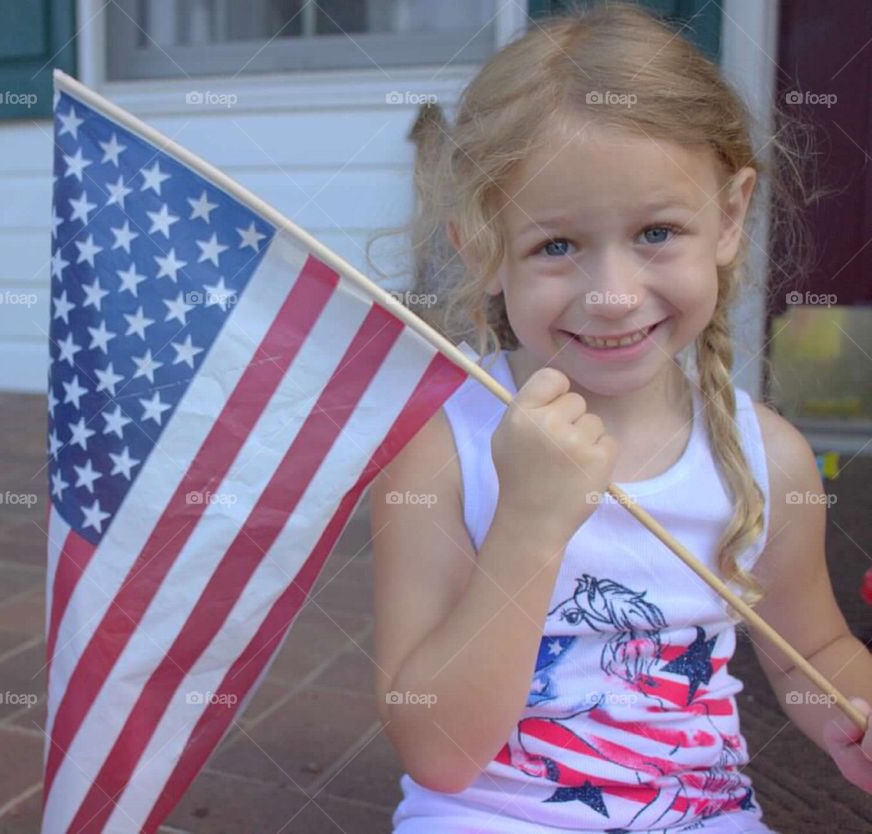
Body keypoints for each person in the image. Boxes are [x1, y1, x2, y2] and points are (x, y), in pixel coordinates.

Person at [368, 3, 872, 833]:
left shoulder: (765, 456)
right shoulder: (443, 451)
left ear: (732, 216)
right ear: (482, 250)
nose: (612, 294)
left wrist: (849, 714)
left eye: (657, 232)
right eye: (556, 246)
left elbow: (811, 654)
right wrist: (528, 525)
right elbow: (438, 748)